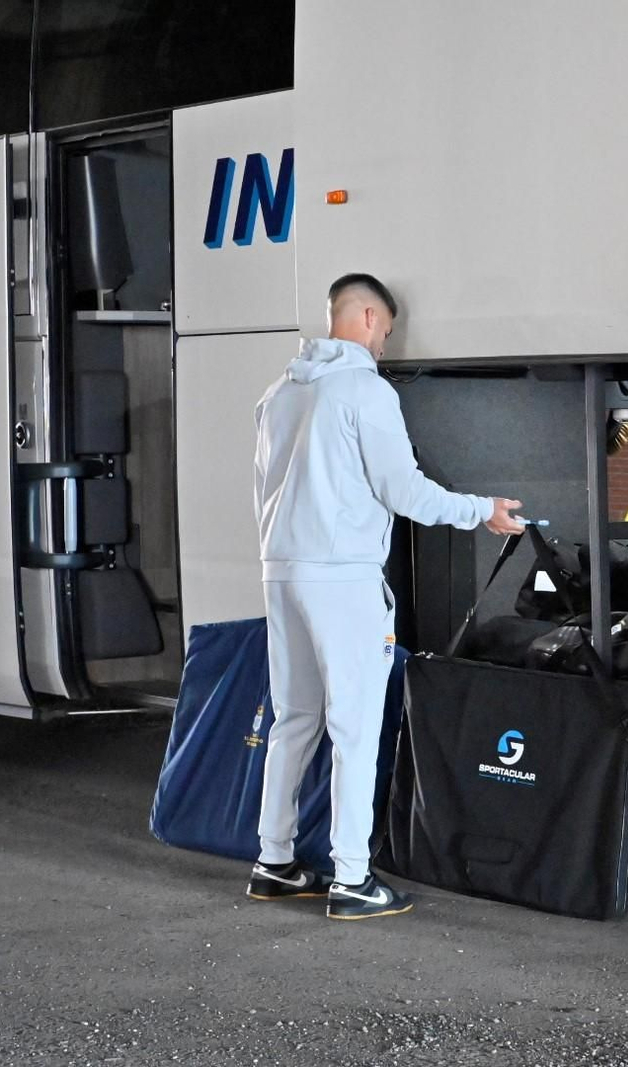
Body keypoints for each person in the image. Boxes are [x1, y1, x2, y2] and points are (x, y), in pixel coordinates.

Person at [248, 273, 524, 920]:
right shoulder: (364, 391)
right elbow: (405, 491)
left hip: (281, 569)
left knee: (293, 720)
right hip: (341, 579)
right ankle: (350, 877)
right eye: (387, 333)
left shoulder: (278, 393)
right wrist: (481, 510)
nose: (384, 347)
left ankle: (275, 861)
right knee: (355, 726)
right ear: (368, 316)